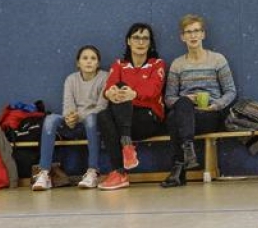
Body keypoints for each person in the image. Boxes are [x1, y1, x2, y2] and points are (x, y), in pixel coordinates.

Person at [160, 15, 237, 188]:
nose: (193, 36)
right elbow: (169, 98)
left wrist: (216, 105)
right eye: (188, 32)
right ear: (182, 37)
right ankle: (188, 149)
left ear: (203, 34)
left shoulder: (217, 59)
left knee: (174, 120)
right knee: (179, 109)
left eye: (196, 31)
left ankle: (178, 169)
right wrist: (186, 99)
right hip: (185, 113)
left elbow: (231, 91)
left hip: (209, 114)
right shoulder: (177, 64)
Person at [96, 23, 167, 191]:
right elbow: (110, 87)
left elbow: (153, 89)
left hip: (148, 119)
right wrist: (110, 93)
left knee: (123, 92)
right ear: (128, 41)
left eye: (145, 38)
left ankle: (124, 150)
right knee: (103, 115)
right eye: (136, 37)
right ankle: (120, 170)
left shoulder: (157, 64)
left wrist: (133, 94)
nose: (140, 42)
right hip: (124, 122)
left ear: (150, 43)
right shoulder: (119, 64)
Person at [32, 45, 108, 191]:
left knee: (92, 118)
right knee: (50, 119)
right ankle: (44, 173)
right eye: (85, 58)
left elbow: (101, 107)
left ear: (98, 63)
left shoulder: (104, 77)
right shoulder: (71, 79)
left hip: (92, 125)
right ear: (78, 62)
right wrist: (69, 117)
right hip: (73, 123)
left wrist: (80, 116)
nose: (89, 62)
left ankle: (93, 171)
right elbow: (67, 105)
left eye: (93, 59)